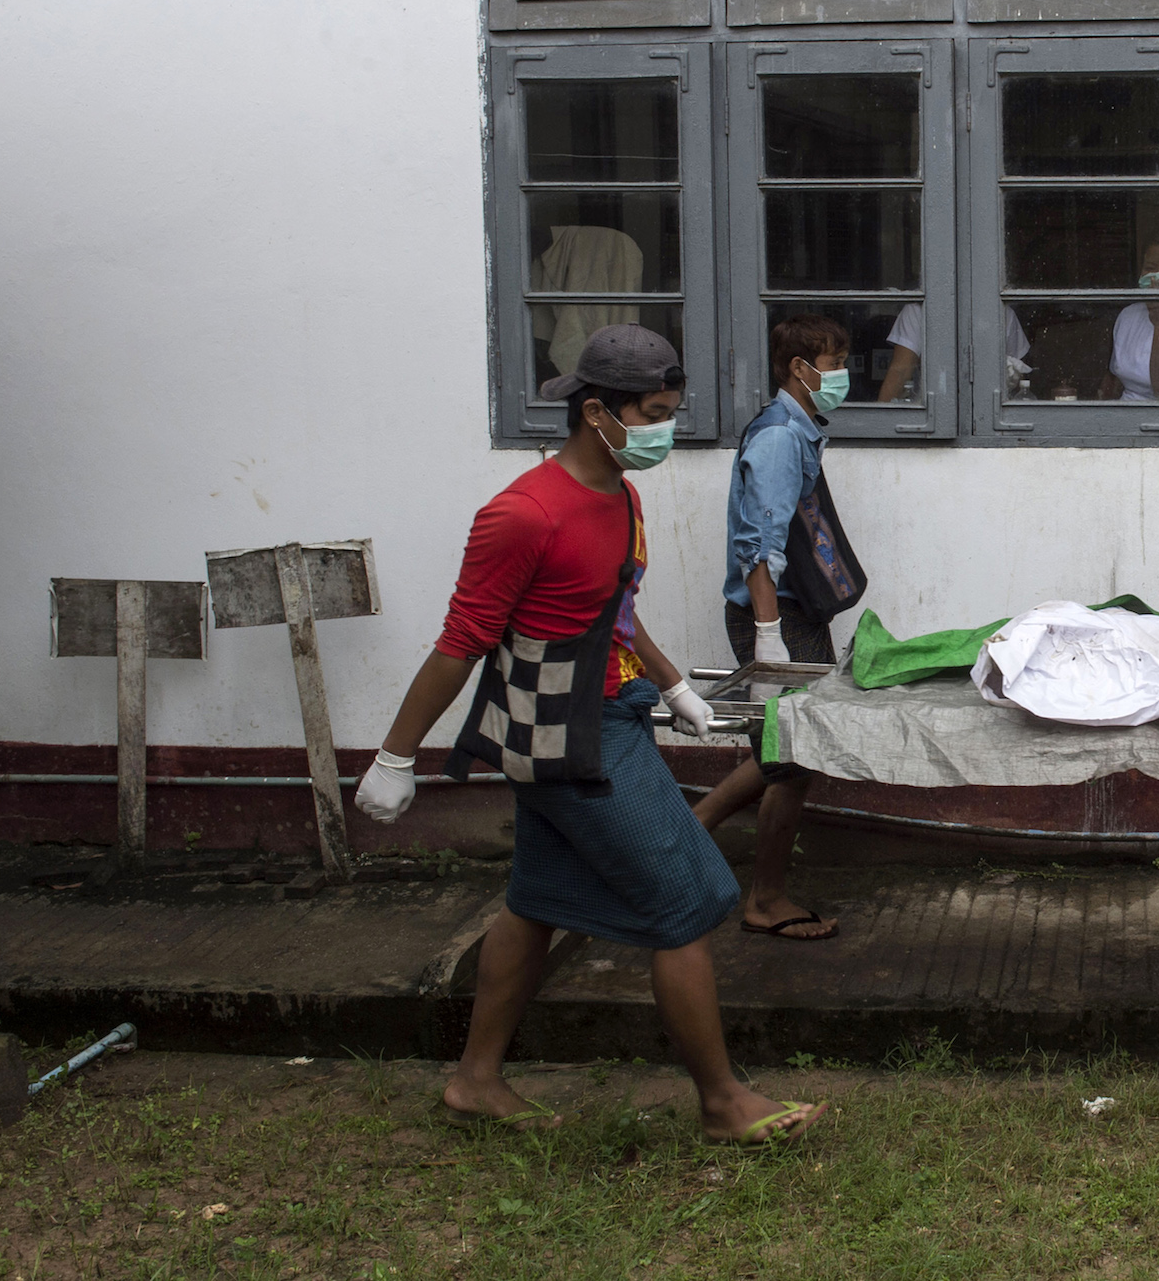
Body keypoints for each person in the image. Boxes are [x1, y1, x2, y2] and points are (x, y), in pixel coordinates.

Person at [353, 324, 825, 1144]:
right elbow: (460, 643)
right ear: (596, 410)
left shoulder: (621, 494)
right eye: (653, 412)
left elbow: (614, 611)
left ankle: (474, 1080)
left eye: (672, 411)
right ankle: (722, 1103)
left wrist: (674, 682)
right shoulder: (521, 514)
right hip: (569, 736)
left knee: (535, 902)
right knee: (691, 897)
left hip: (614, 714)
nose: (664, 430)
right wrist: (397, 755)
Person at [690, 313, 856, 941]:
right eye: (833, 363)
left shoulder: (794, 428)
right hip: (778, 615)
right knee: (790, 753)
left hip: (792, 612)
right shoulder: (781, 438)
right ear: (799, 368)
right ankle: (759, 893)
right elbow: (758, 548)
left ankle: (697, 840)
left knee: (788, 752)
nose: (841, 375)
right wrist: (769, 639)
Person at [878, 303, 1031, 403]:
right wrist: (880, 422)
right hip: (928, 412)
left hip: (989, 415)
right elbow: (901, 371)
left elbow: (1020, 379)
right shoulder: (916, 310)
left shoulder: (1003, 313)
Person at [1099, 243, 1159, 402]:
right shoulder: (1128, 315)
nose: (1155, 278)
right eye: (1149, 268)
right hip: (1125, 413)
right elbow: (1114, 379)